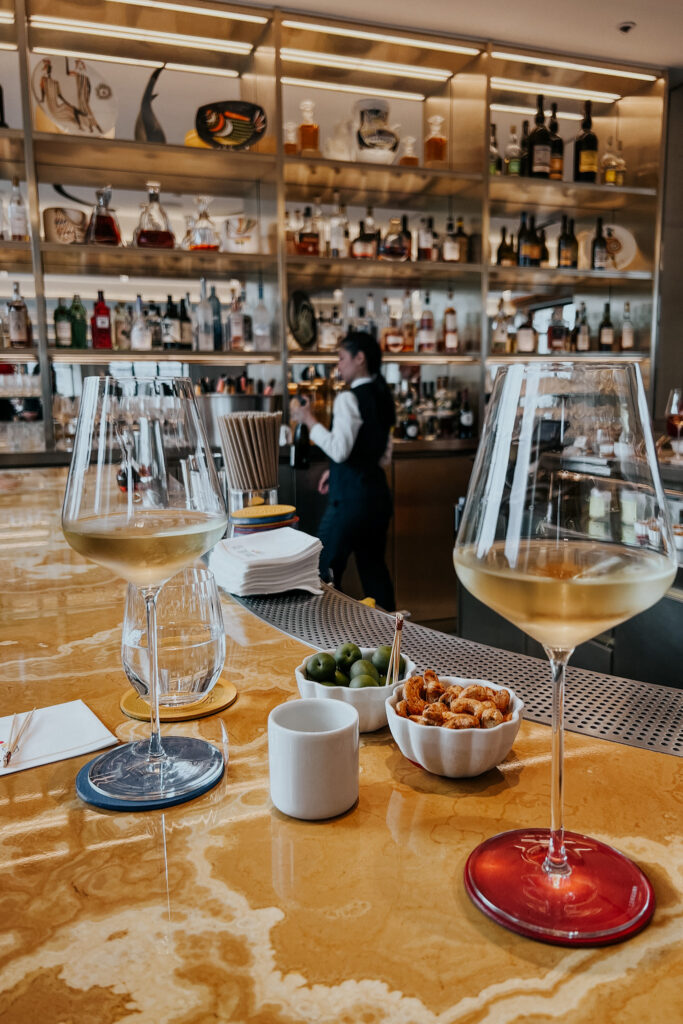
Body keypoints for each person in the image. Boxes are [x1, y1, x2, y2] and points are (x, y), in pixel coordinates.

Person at [290, 331, 396, 610]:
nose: (338, 366)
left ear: (359, 359)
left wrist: (308, 418)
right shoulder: (383, 397)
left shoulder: (348, 399)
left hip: (350, 501)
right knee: (374, 572)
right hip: (377, 497)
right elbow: (382, 457)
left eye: (341, 358)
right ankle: (394, 640)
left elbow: (339, 450)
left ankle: (327, 637)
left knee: (323, 572)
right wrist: (336, 470)